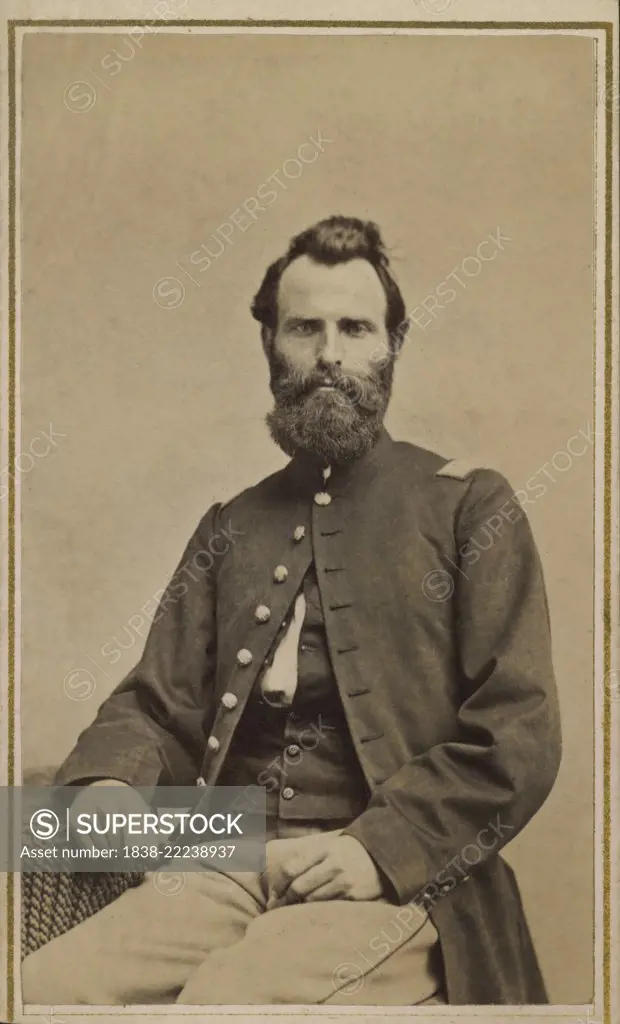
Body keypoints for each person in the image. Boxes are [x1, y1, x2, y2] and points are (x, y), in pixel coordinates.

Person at [22, 215, 561, 1006]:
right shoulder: (231, 527)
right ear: (269, 344)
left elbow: (519, 731)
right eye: (305, 328)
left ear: (394, 344)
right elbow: (156, 702)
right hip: (229, 855)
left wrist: (381, 848)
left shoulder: (470, 508)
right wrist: (109, 784)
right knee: (42, 988)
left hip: (395, 885)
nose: (331, 354)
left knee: (223, 1003)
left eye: (355, 328)